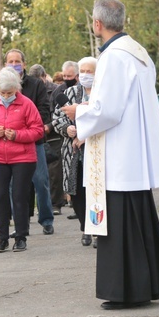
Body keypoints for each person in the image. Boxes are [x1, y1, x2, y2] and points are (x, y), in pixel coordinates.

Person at [63, 0, 159, 310]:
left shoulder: (113, 57)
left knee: (120, 223)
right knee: (138, 219)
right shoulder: (139, 53)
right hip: (132, 151)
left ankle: (126, 290)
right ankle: (148, 284)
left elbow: (108, 110)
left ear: (97, 24)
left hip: (118, 155)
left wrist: (78, 112)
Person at [0, 68, 44, 253]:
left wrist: (17, 135)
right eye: (2, 93)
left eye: (10, 93)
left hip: (23, 157)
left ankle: (21, 236)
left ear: (16, 89)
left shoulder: (27, 104)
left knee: (19, 196)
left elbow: (38, 130)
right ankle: (2, 238)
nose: (6, 96)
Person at [0, 49, 54, 235]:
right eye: (10, 61)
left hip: (33, 142)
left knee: (40, 180)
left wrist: (21, 131)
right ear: (5, 64)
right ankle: (19, 222)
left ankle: (46, 219)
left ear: (24, 64)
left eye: (17, 61)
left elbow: (43, 113)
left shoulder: (36, 84)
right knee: (13, 186)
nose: (14, 64)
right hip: (8, 145)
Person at [52, 56, 97, 247]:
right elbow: (56, 118)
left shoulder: (101, 94)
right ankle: (85, 227)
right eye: (83, 72)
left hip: (95, 150)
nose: (86, 75)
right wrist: (67, 129)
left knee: (94, 191)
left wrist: (87, 133)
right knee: (77, 192)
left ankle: (97, 229)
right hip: (73, 151)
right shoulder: (69, 92)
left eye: (90, 71)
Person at [29, 63, 66, 216]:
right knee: (36, 174)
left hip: (53, 135)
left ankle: (56, 203)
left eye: (40, 79)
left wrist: (50, 126)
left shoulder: (55, 91)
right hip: (36, 134)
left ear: (44, 77)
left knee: (54, 171)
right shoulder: (31, 90)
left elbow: (58, 112)